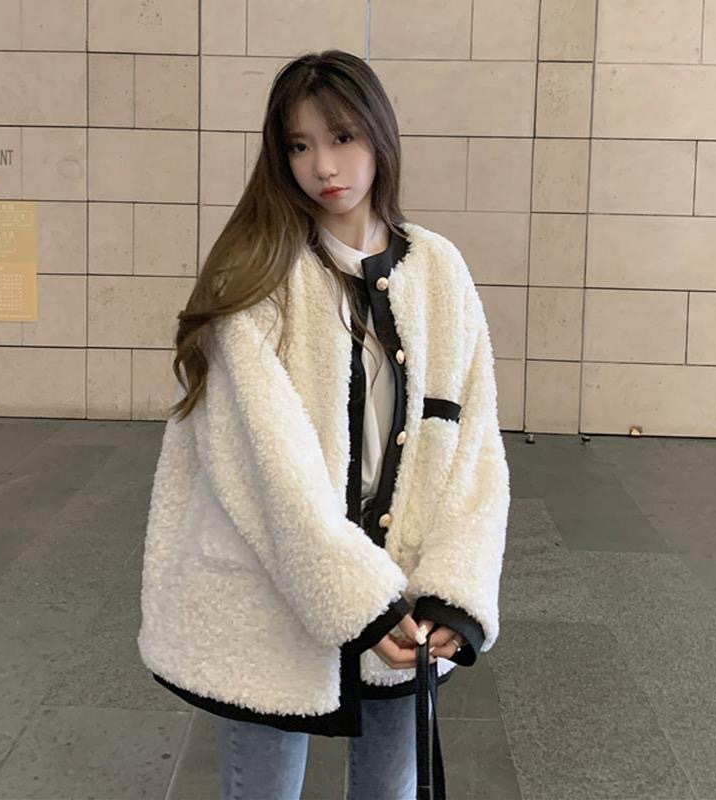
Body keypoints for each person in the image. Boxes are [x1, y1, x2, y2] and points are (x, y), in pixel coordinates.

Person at [137, 49, 510, 799]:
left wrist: (454, 590)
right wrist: (361, 601)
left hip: (406, 601)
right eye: (299, 146)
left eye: (342, 137)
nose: (323, 166)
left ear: (380, 135)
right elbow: (269, 472)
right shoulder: (256, 274)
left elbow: (473, 448)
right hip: (268, 599)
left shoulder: (438, 269)